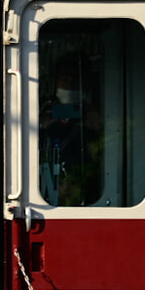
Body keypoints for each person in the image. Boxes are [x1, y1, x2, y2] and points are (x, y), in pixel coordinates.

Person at [39, 54, 103, 206]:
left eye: (76, 81)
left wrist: (97, 126)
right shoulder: (43, 107)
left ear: (85, 83)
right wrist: (40, 125)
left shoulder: (96, 108)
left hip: (85, 189)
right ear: (55, 81)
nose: (69, 86)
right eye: (65, 80)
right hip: (46, 184)